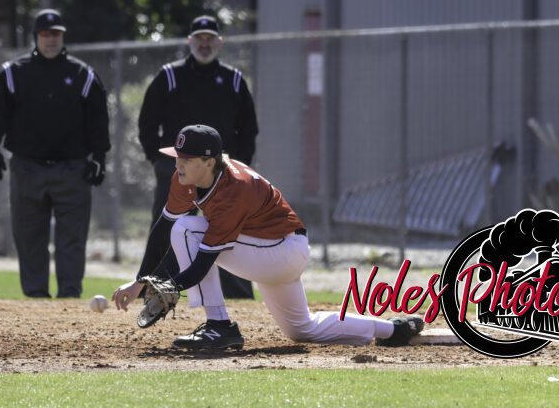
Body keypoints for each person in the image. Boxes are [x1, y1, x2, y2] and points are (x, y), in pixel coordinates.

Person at [112, 124, 424, 349]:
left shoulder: (234, 190)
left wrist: (172, 285)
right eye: (177, 156)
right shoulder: (187, 178)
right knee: (302, 329)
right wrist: (141, 282)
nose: (178, 163)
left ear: (209, 162)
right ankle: (392, 330)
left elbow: (203, 260)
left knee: (187, 228)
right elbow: (162, 230)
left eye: (186, 159)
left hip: (281, 251)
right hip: (268, 249)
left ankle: (219, 325)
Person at [0, 8, 111, 298]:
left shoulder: (82, 75)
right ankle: (35, 297)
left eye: (56, 34)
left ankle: (69, 296)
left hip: (72, 170)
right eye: (45, 34)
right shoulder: (13, 74)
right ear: (36, 37)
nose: (51, 39)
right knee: (29, 236)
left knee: (72, 238)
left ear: (63, 36)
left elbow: (98, 119)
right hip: (27, 168)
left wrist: (99, 156)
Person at [138, 14, 258, 299]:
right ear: (190, 41)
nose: (205, 44)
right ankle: (154, 289)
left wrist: (237, 166)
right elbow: (147, 122)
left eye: (210, 39)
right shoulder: (170, 76)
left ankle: (238, 295)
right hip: (177, 168)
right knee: (169, 226)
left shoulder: (233, 80)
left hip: (223, 171)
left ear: (220, 42)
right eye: (200, 38)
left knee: (230, 226)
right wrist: (159, 160)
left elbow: (248, 129)